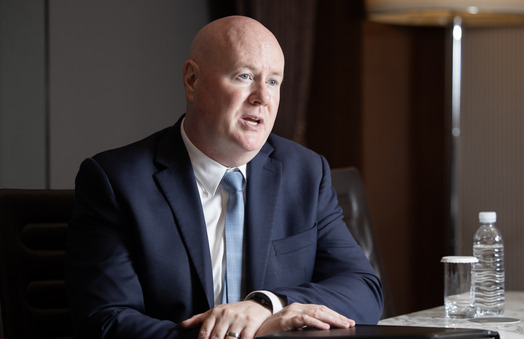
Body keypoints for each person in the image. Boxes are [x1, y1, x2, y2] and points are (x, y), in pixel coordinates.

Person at [65, 15, 383, 339]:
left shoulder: (306, 173)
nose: (262, 96)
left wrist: (268, 305)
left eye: (273, 81)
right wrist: (239, 336)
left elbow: (364, 290)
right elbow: (103, 321)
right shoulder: (116, 181)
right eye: (245, 76)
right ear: (192, 80)